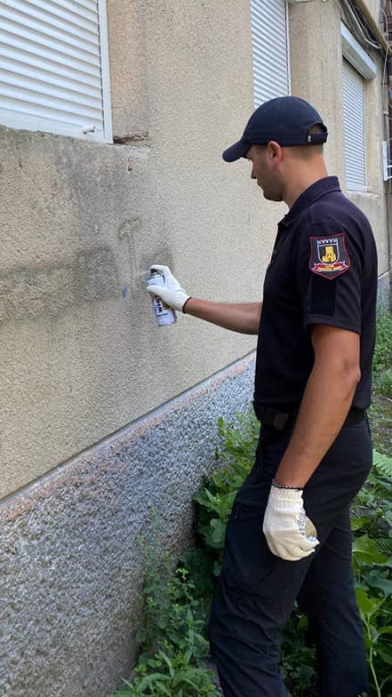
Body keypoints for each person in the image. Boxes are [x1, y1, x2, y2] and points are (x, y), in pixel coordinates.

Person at [147, 96, 376, 697]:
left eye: (250, 158)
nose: (250, 173)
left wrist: (288, 488)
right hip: (330, 448)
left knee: (242, 626)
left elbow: (340, 367)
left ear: (275, 152)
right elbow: (274, 316)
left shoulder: (323, 228)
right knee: (329, 601)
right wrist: (186, 302)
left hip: (309, 451)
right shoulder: (321, 219)